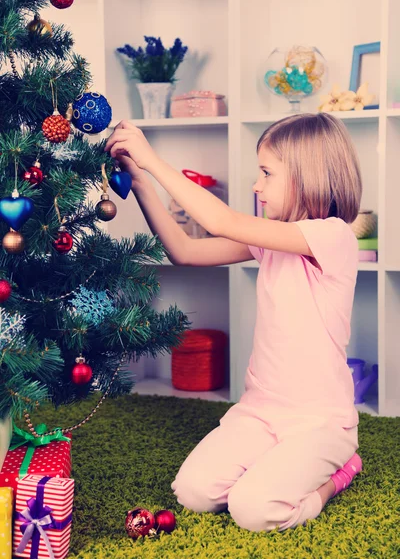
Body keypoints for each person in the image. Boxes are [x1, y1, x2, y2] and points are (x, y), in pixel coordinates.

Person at [105, 112, 363, 532]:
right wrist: (139, 181)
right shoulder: (271, 240)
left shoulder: (333, 237)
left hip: (319, 422)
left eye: (266, 172)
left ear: (308, 175)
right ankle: (277, 462)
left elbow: (220, 220)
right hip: (260, 413)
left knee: (253, 509)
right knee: (192, 492)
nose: (257, 186)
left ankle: (338, 475)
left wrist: (151, 158)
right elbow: (185, 250)